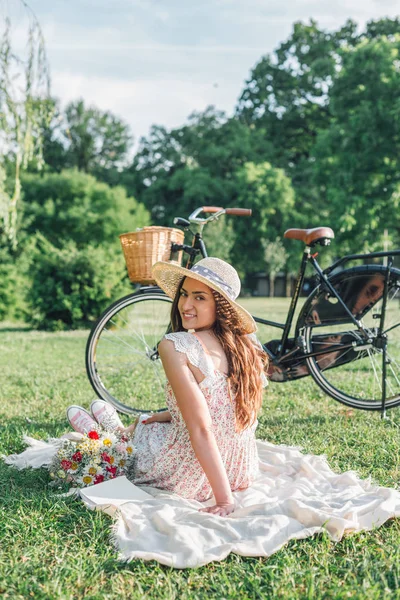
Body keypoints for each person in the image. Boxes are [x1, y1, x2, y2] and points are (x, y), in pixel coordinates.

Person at [66, 257, 268, 517]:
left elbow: (202, 428)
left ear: (221, 306)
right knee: (153, 422)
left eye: (199, 298)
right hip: (239, 468)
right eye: (184, 294)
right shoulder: (245, 347)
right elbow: (220, 409)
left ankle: (110, 437)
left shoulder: (177, 345)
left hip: (192, 472)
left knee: (140, 442)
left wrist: (224, 499)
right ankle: (126, 427)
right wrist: (164, 416)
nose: (186, 305)